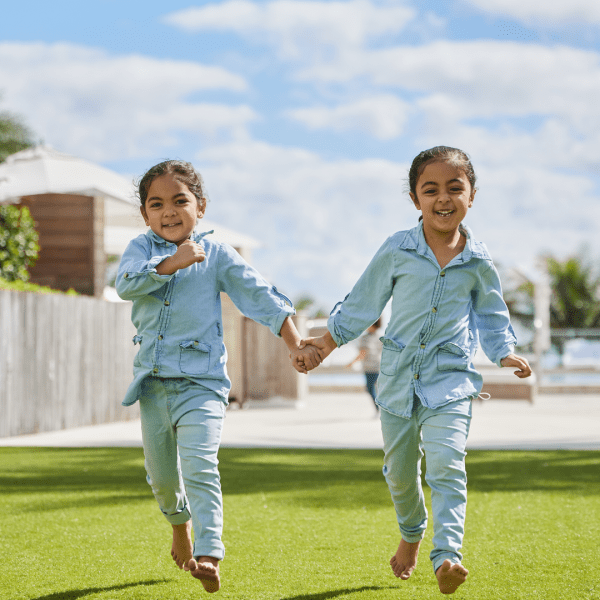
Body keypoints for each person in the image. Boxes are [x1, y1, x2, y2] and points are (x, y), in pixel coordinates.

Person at [300, 146, 532, 594]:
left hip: (451, 380)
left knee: (447, 465)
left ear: (471, 195)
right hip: (398, 380)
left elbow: (490, 311)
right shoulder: (397, 249)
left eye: (454, 188)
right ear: (415, 199)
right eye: (431, 190)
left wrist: (504, 351)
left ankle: (447, 556)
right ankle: (411, 531)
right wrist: (326, 344)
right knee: (401, 474)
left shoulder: (478, 260)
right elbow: (363, 302)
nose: (443, 198)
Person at [116, 160, 321, 593]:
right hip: (152, 383)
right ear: (145, 214)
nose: (169, 211)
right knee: (162, 476)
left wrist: (294, 342)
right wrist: (172, 263)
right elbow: (126, 285)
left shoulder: (218, 254)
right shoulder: (139, 249)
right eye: (157, 204)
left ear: (200, 206)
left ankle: (209, 553)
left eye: (180, 201)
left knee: (200, 465)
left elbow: (260, 296)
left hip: (202, 383)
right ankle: (179, 524)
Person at [346, 318, 382, 413]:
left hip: (370, 367)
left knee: (370, 388)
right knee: (377, 389)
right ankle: (380, 409)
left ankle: (379, 409)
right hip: (379, 366)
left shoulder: (365, 338)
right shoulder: (381, 336)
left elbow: (362, 354)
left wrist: (352, 363)